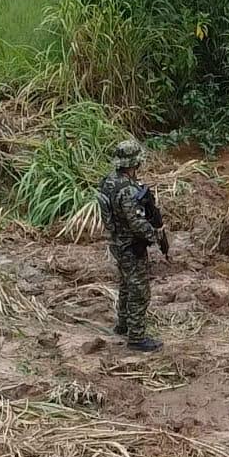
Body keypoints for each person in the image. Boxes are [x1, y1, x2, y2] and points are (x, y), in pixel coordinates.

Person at [98, 139, 169, 352]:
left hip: (117, 242)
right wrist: (155, 237)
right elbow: (136, 223)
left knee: (126, 284)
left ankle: (123, 324)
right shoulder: (127, 189)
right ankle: (137, 337)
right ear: (135, 163)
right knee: (139, 290)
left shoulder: (108, 181)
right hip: (130, 245)